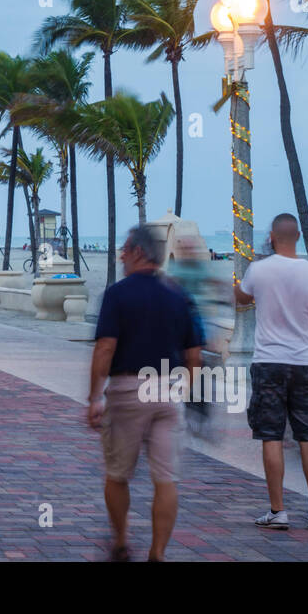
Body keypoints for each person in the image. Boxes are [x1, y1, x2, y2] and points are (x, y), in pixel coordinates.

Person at [87, 227, 203, 562]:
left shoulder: (118, 294)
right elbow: (194, 355)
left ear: (139, 251)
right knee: (166, 479)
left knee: (118, 473)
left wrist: (95, 397)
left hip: (128, 390)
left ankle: (122, 540)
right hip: (168, 390)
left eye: (124, 249)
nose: (120, 255)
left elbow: (105, 348)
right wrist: (181, 390)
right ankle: (158, 553)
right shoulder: (178, 295)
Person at [235, 213, 308, 532]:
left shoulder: (259, 270)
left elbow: (240, 298)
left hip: (269, 363)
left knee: (271, 436)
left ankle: (278, 511)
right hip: (305, 364)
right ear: (298, 236)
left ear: (272, 236)